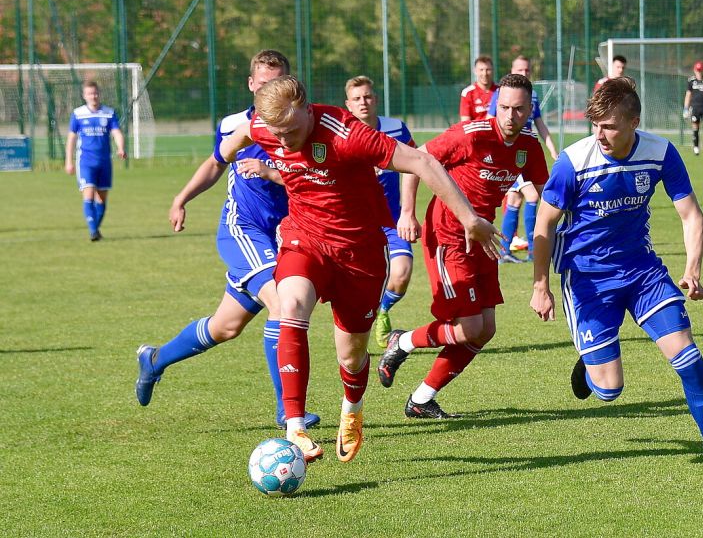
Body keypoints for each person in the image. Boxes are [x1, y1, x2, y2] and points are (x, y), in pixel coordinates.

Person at [219, 75, 498, 463]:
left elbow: (421, 161)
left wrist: (468, 218)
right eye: (276, 133)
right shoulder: (266, 127)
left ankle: (352, 409)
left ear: (306, 107)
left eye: (290, 131)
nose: (282, 141)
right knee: (291, 305)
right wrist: (224, 155)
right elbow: (236, 139)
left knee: (351, 356)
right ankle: (294, 425)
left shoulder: (348, 134)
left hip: (359, 254)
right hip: (305, 239)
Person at [529, 77, 703, 468]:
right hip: (589, 281)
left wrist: (692, 270)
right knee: (610, 391)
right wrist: (540, 285)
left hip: (643, 272)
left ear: (634, 122)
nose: (600, 134)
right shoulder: (573, 162)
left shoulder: (660, 152)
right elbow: (543, 226)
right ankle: (589, 356)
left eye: (609, 126)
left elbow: (690, 213)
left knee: (688, 357)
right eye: (595, 124)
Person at [134, 50, 319, 430]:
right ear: (252, 85)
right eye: (264, 83)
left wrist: (271, 173)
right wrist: (181, 198)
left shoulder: (301, 124)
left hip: (284, 233)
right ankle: (288, 410)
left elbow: (312, 180)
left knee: (225, 327)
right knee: (283, 306)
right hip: (243, 229)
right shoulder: (237, 124)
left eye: (279, 83)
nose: (272, 90)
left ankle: (155, 360)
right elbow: (216, 163)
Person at [378, 73, 548, 418]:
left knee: (485, 329)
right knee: (469, 326)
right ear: (494, 105)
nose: (509, 116)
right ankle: (403, 341)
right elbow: (413, 164)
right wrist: (407, 213)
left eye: (518, 109)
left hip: (483, 238)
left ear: (530, 109)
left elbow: (546, 194)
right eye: (503, 107)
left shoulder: (528, 146)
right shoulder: (471, 136)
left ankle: (422, 399)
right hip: (448, 235)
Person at [343, 75, 417, 348]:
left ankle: (382, 310)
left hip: (391, 220)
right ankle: (353, 331)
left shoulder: (395, 129)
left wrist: (408, 212)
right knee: (354, 288)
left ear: (376, 99)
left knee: (401, 273)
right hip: (355, 224)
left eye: (368, 97)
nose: (363, 102)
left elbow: (416, 166)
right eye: (357, 98)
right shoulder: (342, 132)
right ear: (348, 104)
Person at [487, 55, 558, 263]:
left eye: (527, 70)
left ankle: (506, 251)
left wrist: (552, 149)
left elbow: (539, 124)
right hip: (509, 154)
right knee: (533, 196)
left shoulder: (532, 96)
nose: (524, 73)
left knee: (515, 199)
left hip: (524, 154)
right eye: (520, 70)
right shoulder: (502, 94)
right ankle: (534, 249)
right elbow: (491, 121)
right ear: (512, 70)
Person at [64, 80, 127, 241]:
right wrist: (68, 161)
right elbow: (71, 138)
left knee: (102, 199)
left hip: (104, 161)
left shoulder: (108, 113)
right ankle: (93, 231)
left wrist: (120, 148)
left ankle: (95, 229)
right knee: (89, 194)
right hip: (85, 161)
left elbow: (117, 132)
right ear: (84, 96)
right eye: (90, 93)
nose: (94, 96)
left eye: (96, 93)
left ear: (99, 94)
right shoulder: (78, 114)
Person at [459, 55, 497, 122]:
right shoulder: (468, 93)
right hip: (476, 131)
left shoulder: (500, 91)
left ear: (493, 70)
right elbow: (465, 122)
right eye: (481, 70)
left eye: (488, 70)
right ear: (475, 71)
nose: (484, 73)